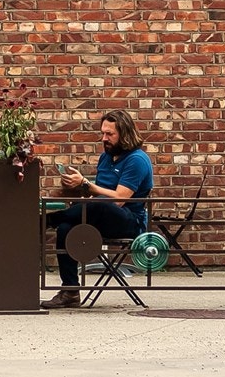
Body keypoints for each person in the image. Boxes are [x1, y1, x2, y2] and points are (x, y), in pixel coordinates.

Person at [43, 109, 155, 309]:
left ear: (125, 133)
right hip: (101, 215)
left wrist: (87, 183)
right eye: (103, 133)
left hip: (128, 221)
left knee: (101, 204)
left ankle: (46, 221)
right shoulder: (106, 157)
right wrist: (76, 187)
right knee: (67, 228)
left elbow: (119, 199)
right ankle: (70, 291)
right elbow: (96, 193)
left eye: (110, 134)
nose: (104, 138)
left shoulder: (136, 160)